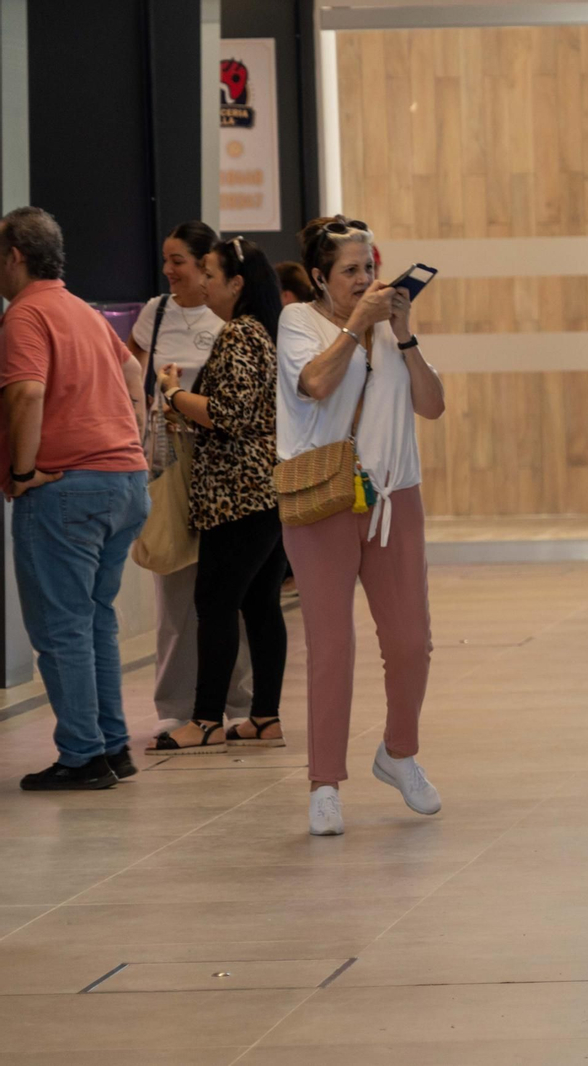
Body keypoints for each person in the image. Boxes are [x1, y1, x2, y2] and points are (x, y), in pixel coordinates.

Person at [278, 215, 446, 836]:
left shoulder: (389, 332)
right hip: (323, 499)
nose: (365, 279)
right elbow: (315, 384)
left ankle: (398, 753)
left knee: (410, 642)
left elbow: (431, 404)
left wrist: (403, 335)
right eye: (350, 271)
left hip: (394, 498)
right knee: (332, 647)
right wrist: (357, 326)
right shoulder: (299, 323)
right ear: (321, 278)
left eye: (370, 268)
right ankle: (325, 783)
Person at [0, 207, 150, 789]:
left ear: (14, 256)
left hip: (65, 490)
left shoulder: (25, 315)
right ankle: (113, 746)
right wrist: (129, 439)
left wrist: (24, 470)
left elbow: (27, 394)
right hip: (124, 482)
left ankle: (84, 755)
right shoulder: (84, 311)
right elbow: (133, 371)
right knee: (94, 623)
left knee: (61, 627)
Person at [149, 238, 289, 754]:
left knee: (215, 602)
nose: (201, 282)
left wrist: (172, 393)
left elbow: (228, 414)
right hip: (266, 490)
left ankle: (205, 719)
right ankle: (264, 716)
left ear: (237, 284)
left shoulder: (239, 334)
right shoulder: (265, 333)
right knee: (259, 605)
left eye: (209, 272)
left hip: (239, 495)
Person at [127, 221, 253, 737]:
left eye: (179, 260)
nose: (169, 270)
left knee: (228, 590)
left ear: (206, 267)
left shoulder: (228, 319)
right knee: (174, 585)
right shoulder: (154, 314)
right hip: (169, 461)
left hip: (220, 463)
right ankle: (177, 703)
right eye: (166, 259)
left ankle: (237, 700)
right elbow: (133, 382)